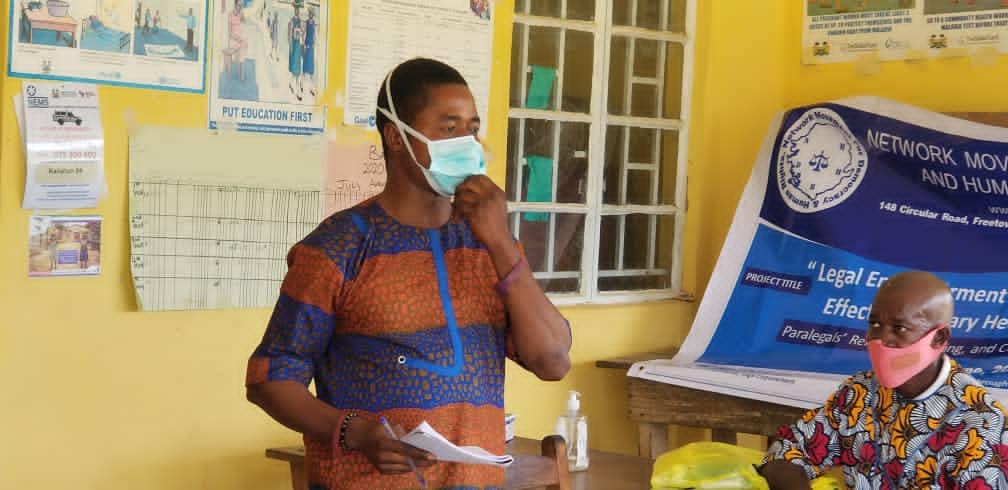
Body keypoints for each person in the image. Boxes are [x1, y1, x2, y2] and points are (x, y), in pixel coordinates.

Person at [245, 58, 572, 490]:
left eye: (472, 129)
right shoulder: (337, 246)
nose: (468, 144)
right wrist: (352, 431)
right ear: (397, 137)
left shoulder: (487, 244)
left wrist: (499, 242)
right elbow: (270, 379)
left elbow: (552, 362)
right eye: (449, 128)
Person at [759, 271, 1008, 489]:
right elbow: (788, 450)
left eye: (899, 328)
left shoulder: (982, 425)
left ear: (939, 338)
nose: (882, 339)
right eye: (875, 324)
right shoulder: (858, 394)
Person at [287, 5, 304, 100]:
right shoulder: (292, 21)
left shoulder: (300, 21)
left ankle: (290, 83)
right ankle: (298, 92)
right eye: (296, 9)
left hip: (298, 47)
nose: (297, 11)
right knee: (296, 70)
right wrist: (290, 47)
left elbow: (301, 34)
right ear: (294, 10)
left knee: (297, 70)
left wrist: (301, 33)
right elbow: (289, 35)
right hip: (294, 47)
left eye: (298, 9)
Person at [301, 8, 316, 97]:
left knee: (311, 70)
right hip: (307, 47)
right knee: (304, 69)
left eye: (312, 14)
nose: (310, 15)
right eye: (310, 14)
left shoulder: (313, 23)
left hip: (312, 48)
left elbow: (313, 35)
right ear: (308, 14)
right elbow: (303, 34)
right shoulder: (306, 23)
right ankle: (301, 85)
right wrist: (304, 45)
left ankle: (312, 88)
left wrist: (314, 43)